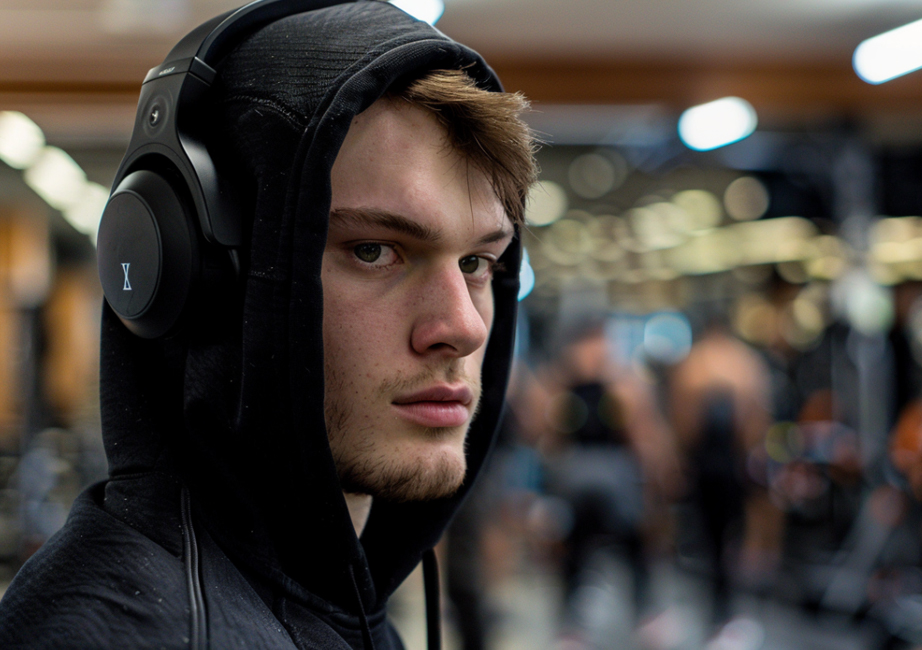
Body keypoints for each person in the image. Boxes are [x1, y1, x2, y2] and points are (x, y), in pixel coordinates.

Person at [0, 1, 537, 649]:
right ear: (197, 277)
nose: (462, 327)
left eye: (478, 261)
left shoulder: (323, 604)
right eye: (374, 250)